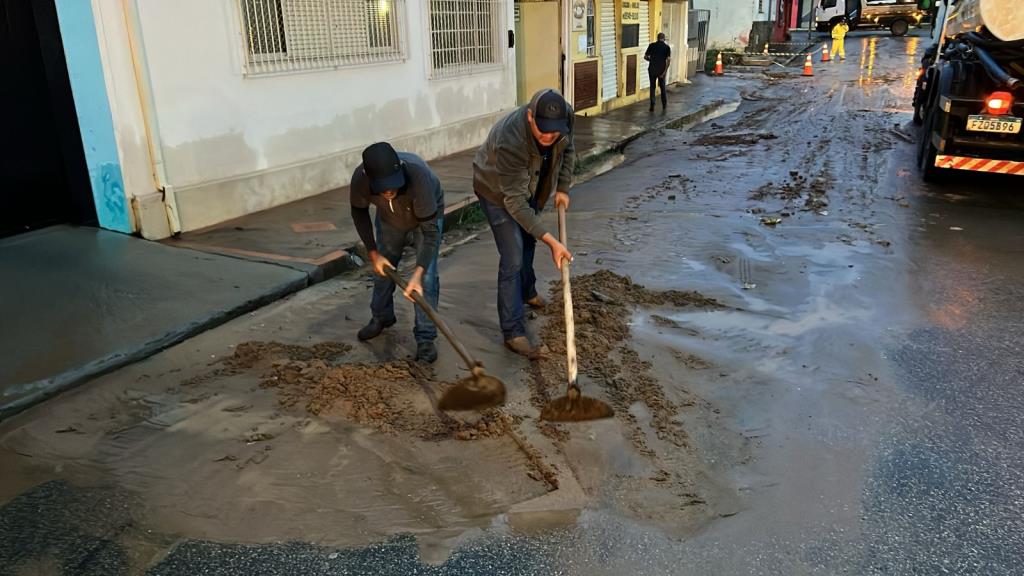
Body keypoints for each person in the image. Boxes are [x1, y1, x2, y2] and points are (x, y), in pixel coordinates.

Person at [473, 89, 575, 358]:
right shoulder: (511, 138)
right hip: (495, 189)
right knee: (513, 256)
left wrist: (562, 187)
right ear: (531, 117)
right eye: (543, 132)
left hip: (532, 183)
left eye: (554, 133)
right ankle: (513, 331)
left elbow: (568, 149)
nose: (549, 137)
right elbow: (515, 202)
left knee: (528, 239)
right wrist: (552, 240)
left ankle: (528, 291)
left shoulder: (565, 116)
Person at [350, 142, 444, 363]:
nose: (389, 191)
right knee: (383, 269)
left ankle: (425, 338)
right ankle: (381, 317)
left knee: (427, 279)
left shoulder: (419, 178)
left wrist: (418, 274)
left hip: (426, 219)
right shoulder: (360, 180)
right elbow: (359, 212)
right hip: (389, 220)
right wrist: (373, 253)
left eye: (393, 185)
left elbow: (430, 235)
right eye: (383, 188)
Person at [644, 33, 672, 111]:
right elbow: (669, 61)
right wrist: (664, 72)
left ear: (657, 38)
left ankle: (652, 105)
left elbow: (645, 57)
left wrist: (651, 61)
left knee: (652, 87)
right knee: (662, 88)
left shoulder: (651, 45)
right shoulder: (667, 47)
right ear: (664, 39)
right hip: (661, 70)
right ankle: (664, 105)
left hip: (652, 69)